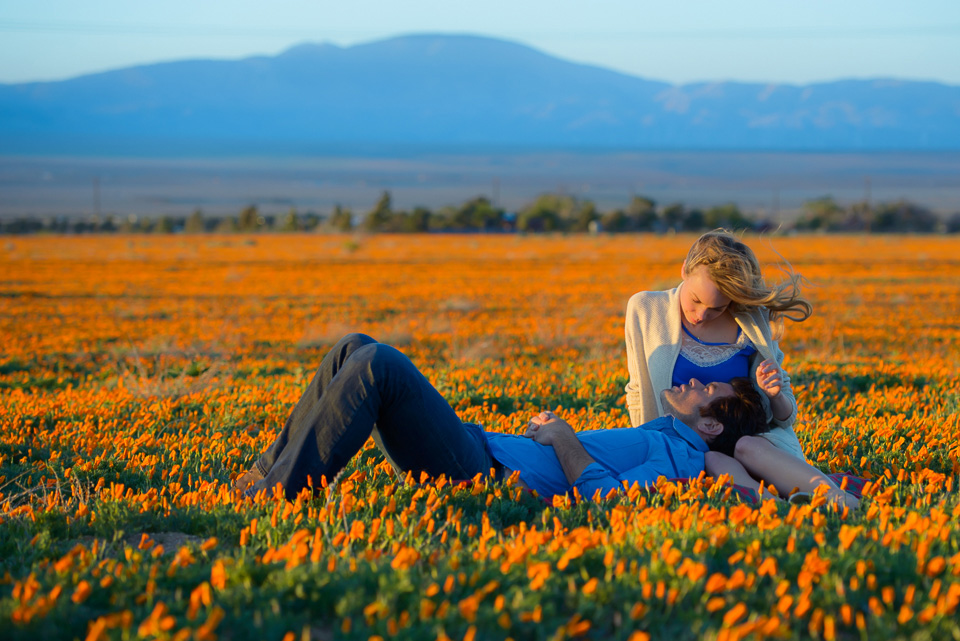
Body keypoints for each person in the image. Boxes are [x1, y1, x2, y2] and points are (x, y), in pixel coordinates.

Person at [235, 333, 769, 502]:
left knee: (379, 365)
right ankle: (264, 474)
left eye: (706, 388)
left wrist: (562, 437)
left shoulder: (679, 455)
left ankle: (281, 494)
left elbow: (606, 498)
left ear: (712, 426)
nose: (692, 381)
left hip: (479, 473)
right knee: (353, 346)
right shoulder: (660, 430)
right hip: (475, 446)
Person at [624, 229, 858, 507]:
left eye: (717, 309)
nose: (701, 315)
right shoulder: (645, 308)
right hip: (686, 448)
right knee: (711, 459)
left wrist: (774, 396)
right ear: (685, 269)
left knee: (747, 446)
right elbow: (638, 391)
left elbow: (784, 417)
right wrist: (645, 448)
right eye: (696, 300)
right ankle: (777, 508)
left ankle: (840, 501)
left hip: (756, 444)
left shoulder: (751, 320)